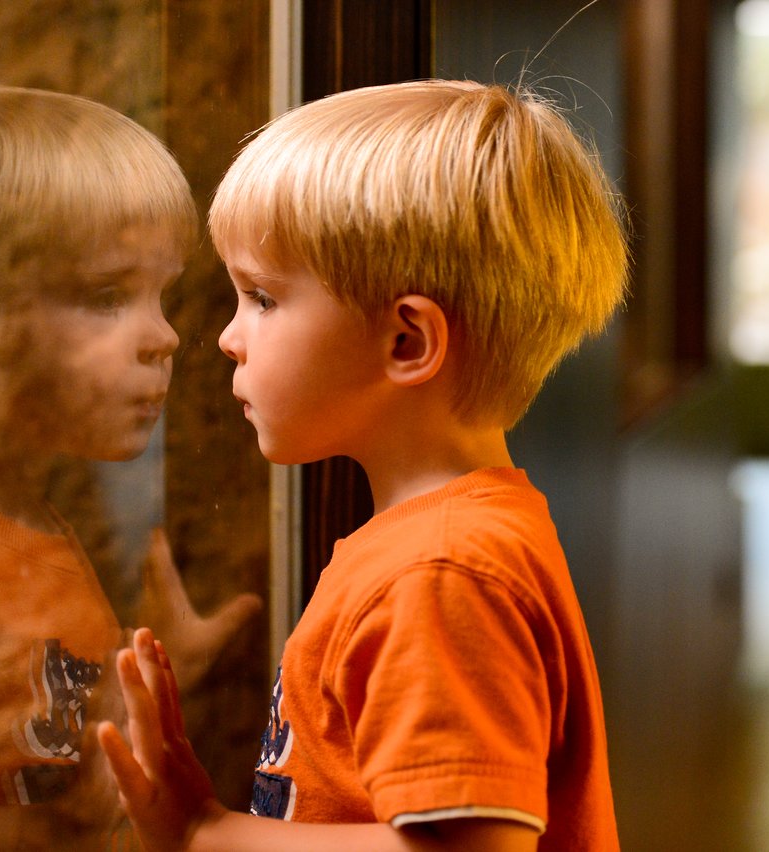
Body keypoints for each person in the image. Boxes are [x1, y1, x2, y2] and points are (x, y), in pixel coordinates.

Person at [98, 78, 628, 851]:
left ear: (406, 342)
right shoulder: (447, 542)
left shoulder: (440, 572)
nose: (227, 337)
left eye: (262, 298)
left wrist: (204, 833)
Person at [0, 84, 258, 848]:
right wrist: (39, 830)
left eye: (160, 296)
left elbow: (46, 738)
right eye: (105, 297)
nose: (163, 336)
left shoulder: (32, 521)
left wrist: (154, 689)